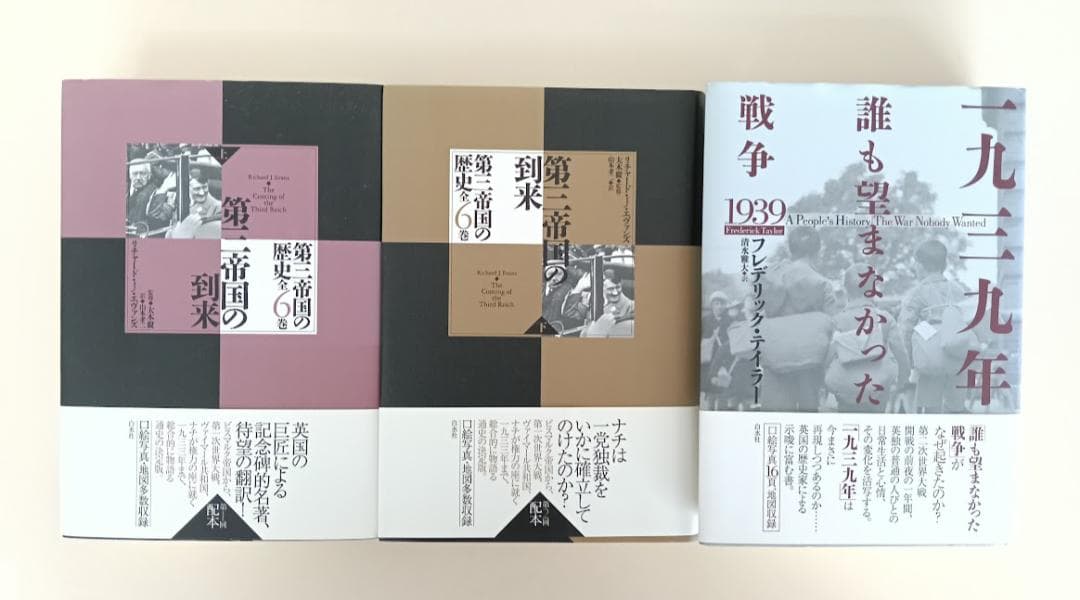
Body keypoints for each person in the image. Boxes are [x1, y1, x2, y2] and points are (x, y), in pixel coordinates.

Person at [758, 228, 838, 411]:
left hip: (775, 360)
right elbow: (833, 327)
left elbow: (757, 314)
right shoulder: (823, 284)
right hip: (809, 365)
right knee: (805, 418)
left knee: (775, 419)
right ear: (818, 250)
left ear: (790, 249)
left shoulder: (771, 277)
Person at [825, 263, 910, 413]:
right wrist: (902, 380)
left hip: (844, 386)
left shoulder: (836, 321)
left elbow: (827, 357)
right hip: (878, 387)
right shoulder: (885, 318)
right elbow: (901, 354)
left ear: (846, 289)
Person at [899, 240, 971, 413]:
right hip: (958, 360)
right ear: (944, 264)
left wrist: (907, 365)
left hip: (929, 361)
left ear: (920, 265)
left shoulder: (915, 294)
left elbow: (905, 331)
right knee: (955, 410)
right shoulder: (959, 291)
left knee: (930, 411)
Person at [166, 169, 221, 239]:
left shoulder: (217, 207)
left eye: (204, 187)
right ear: (187, 188)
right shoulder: (181, 202)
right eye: (197, 189)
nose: (202, 192)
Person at [582, 269, 634, 337]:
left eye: (618, 287)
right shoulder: (595, 301)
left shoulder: (631, 306)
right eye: (610, 289)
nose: (615, 292)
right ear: (601, 288)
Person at [125, 161, 159, 230]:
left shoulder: (151, 192)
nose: (138, 177)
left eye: (142, 173)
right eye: (135, 174)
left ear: (149, 176)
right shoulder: (126, 188)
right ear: (130, 176)